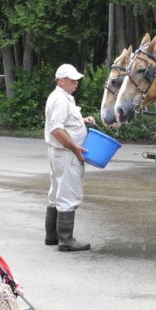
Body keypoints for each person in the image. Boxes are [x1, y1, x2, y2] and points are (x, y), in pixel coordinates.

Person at [44, 64, 95, 251]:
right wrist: (75, 146)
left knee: (56, 193)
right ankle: (66, 240)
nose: (76, 83)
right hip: (67, 153)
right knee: (68, 195)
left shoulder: (61, 97)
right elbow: (56, 129)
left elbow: (65, 123)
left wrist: (82, 121)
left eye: (76, 80)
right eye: (72, 80)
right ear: (61, 81)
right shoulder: (61, 100)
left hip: (59, 153)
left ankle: (52, 236)